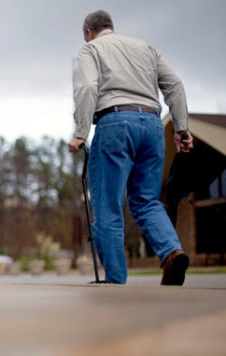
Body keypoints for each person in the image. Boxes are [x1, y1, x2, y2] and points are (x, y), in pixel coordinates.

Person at [68, 10, 194, 285]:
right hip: (152, 125)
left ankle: (115, 281)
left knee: (108, 207)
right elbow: (174, 83)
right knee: (146, 201)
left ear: (89, 32)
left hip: (114, 124)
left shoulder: (90, 50)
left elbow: (88, 86)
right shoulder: (146, 48)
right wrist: (182, 127)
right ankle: (172, 253)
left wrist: (80, 132)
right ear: (110, 27)